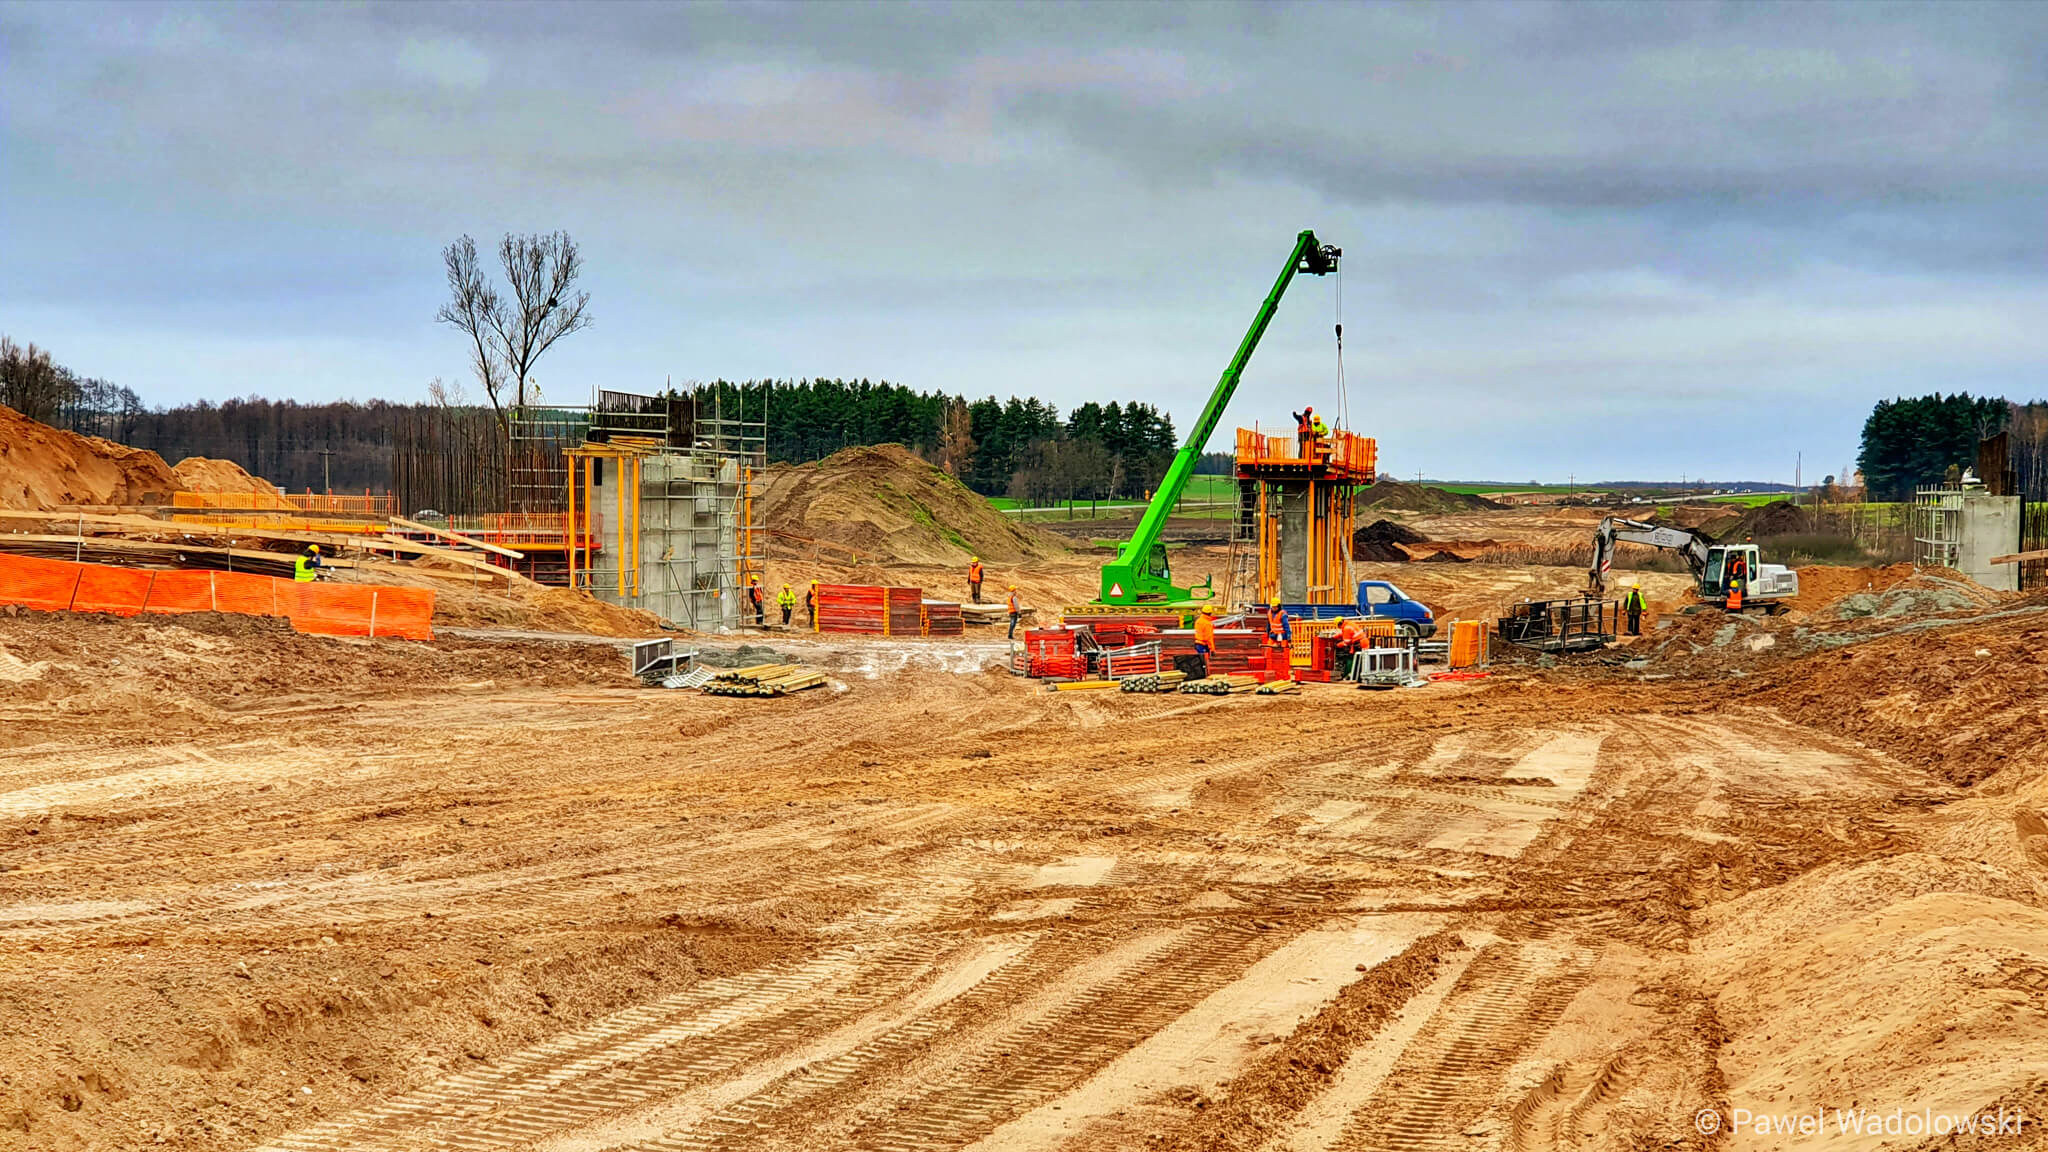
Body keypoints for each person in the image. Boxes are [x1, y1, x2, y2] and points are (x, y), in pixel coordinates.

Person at [1192, 604, 1217, 678]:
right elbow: (1209, 637)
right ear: (1210, 613)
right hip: (1203, 645)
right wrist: (1212, 649)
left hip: (1197, 643)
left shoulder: (1198, 621)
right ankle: (1204, 677)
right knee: (1204, 663)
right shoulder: (1207, 623)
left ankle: (1201, 676)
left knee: (1200, 662)